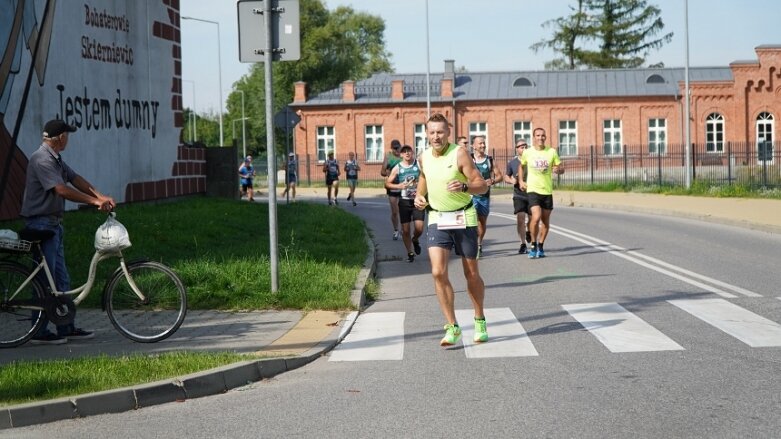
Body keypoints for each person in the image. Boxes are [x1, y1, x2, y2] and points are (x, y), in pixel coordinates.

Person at [20, 119, 115, 345]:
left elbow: (75, 179)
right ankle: (39, 331)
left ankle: (66, 326)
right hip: (41, 225)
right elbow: (61, 189)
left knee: (61, 279)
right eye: (67, 135)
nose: (68, 139)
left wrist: (101, 196)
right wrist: (94, 202)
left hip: (53, 225)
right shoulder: (41, 159)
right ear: (60, 137)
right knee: (46, 280)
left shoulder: (56, 159)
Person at [413, 113, 489, 346]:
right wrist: (419, 195)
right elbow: (424, 178)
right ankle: (452, 326)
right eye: (432, 132)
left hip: (463, 216)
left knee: (471, 273)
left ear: (448, 133)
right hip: (437, 216)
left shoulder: (459, 153)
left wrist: (465, 186)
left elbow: (482, 185)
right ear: (427, 133)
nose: (436, 136)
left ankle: (479, 319)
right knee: (438, 272)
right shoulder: (423, 156)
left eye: (440, 132)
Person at [520, 128, 564, 259]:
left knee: (545, 221)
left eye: (543, 135)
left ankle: (540, 245)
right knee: (536, 216)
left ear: (545, 137)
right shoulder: (528, 152)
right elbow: (521, 166)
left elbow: (561, 168)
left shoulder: (551, 152)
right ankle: (533, 244)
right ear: (533, 137)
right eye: (538, 135)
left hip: (547, 190)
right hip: (533, 189)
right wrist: (521, 181)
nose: (540, 138)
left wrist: (558, 170)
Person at [385, 145, 425, 262]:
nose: (407, 153)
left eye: (409, 151)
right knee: (406, 230)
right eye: (404, 152)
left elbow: (427, 176)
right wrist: (399, 186)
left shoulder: (418, 164)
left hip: (417, 200)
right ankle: (410, 253)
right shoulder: (398, 167)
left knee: (419, 228)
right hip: (404, 201)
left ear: (412, 153)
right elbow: (387, 184)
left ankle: (415, 239)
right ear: (401, 155)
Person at [470, 135, 503, 258]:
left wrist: (493, 181)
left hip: (484, 196)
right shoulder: (469, 159)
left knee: (482, 222)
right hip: (471, 196)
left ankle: (479, 244)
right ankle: (472, 244)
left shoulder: (489, 160)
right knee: (472, 221)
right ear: (474, 146)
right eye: (480, 144)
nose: (483, 146)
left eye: (484, 143)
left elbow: (500, 176)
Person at [504, 139, 531, 254]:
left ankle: (529, 231)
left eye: (525, 146)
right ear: (517, 149)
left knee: (532, 219)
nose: (523, 148)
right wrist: (512, 180)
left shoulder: (532, 160)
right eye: (521, 146)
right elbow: (506, 176)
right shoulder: (512, 163)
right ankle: (522, 243)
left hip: (532, 193)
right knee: (520, 218)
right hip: (519, 194)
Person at [380, 139, 403, 239]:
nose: (397, 150)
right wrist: (388, 173)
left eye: (398, 147)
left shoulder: (404, 156)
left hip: (403, 186)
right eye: (395, 148)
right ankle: (396, 230)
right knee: (394, 211)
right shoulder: (388, 157)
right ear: (392, 148)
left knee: (404, 210)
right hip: (392, 186)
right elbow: (382, 172)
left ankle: (404, 230)